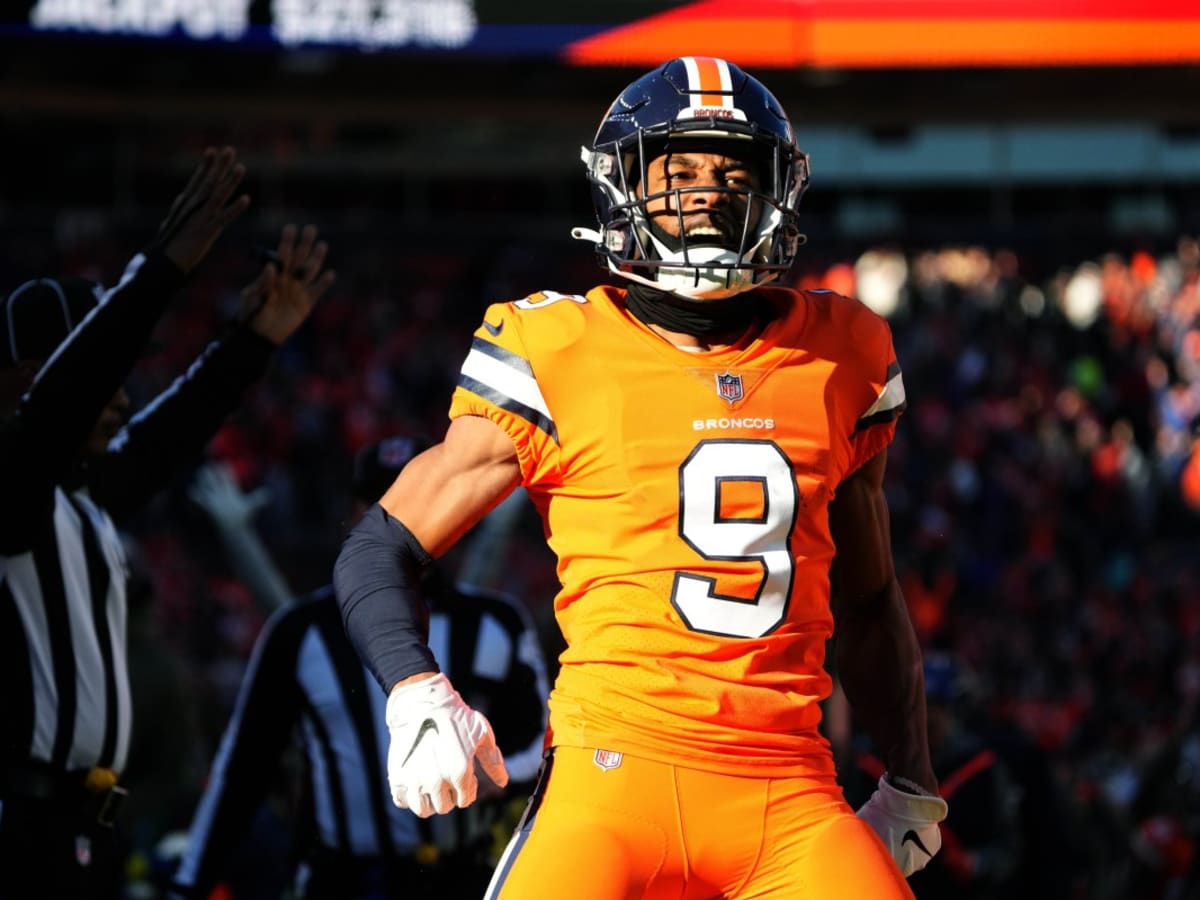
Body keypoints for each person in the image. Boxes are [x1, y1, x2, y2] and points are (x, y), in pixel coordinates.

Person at [334, 56, 947, 899]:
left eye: (733, 171)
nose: (707, 191)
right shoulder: (557, 348)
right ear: (625, 186)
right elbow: (379, 548)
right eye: (680, 170)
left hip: (790, 791)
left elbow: (871, 598)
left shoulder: (844, 353)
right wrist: (413, 687)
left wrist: (911, 777)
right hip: (612, 780)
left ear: (777, 190)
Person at [0, 145, 335, 900]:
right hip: (22, 821)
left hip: (78, 826)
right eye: (104, 381)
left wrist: (251, 343)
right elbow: (62, 408)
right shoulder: (14, 486)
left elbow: (162, 439)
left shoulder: (73, 495)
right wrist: (158, 271)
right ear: (28, 376)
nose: (119, 397)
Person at [168, 436, 550, 900]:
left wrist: (503, 773)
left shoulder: (495, 622)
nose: (408, 516)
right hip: (345, 882)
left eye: (415, 495)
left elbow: (546, 740)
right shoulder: (303, 631)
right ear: (358, 512)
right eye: (382, 502)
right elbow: (244, 765)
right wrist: (190, 884)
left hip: (463, 876)